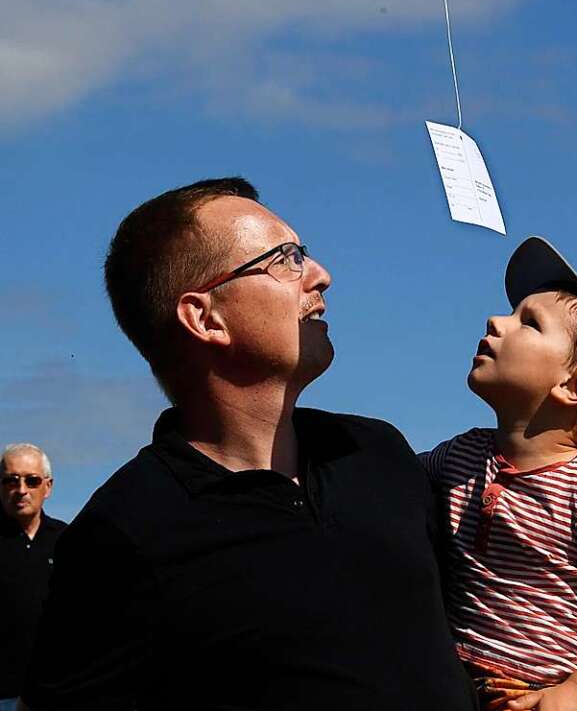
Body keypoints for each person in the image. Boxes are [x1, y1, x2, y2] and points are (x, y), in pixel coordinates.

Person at [22, 177, 477, 711]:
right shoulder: (126, 529)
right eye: (286, 259)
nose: (321, 276)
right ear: (204, 317)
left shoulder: (376, 451)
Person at [421, 237, 577, 711]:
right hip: (454, 685)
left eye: (528, 323)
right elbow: (384, 481)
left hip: (536, 696)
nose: (496, 321)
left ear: (575, 385)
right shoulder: (461, 455)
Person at [0, 444, 66, 711]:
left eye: (32, 480)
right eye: (11, 480)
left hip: (54, 695)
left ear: (47, 487)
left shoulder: (67, 542)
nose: (22, 489)